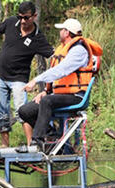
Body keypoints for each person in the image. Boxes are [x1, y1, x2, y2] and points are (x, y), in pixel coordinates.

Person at [0, 1, 55, 147]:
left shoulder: (38, 38)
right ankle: (5, 145)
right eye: (20, 17)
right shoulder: (11, 22)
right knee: (1, 112)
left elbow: (54, 56)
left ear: (34, 16)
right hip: (1, 76)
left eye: (26, 17)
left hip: (19, 79)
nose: (22, 21)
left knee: (22, 111)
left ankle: (32, 143)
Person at [18, 17, 102, 150]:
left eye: (61, 30)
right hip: (60, 95)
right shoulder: (64, 49)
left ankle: (37, 141)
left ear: (67, 32)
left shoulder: (79, 50)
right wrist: (46, 91)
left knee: (47, 101)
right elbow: (58, 77)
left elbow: (61, 71)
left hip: (76, 96)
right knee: (25, 111)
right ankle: (52, 136)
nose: (60, 32)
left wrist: (35, 80)